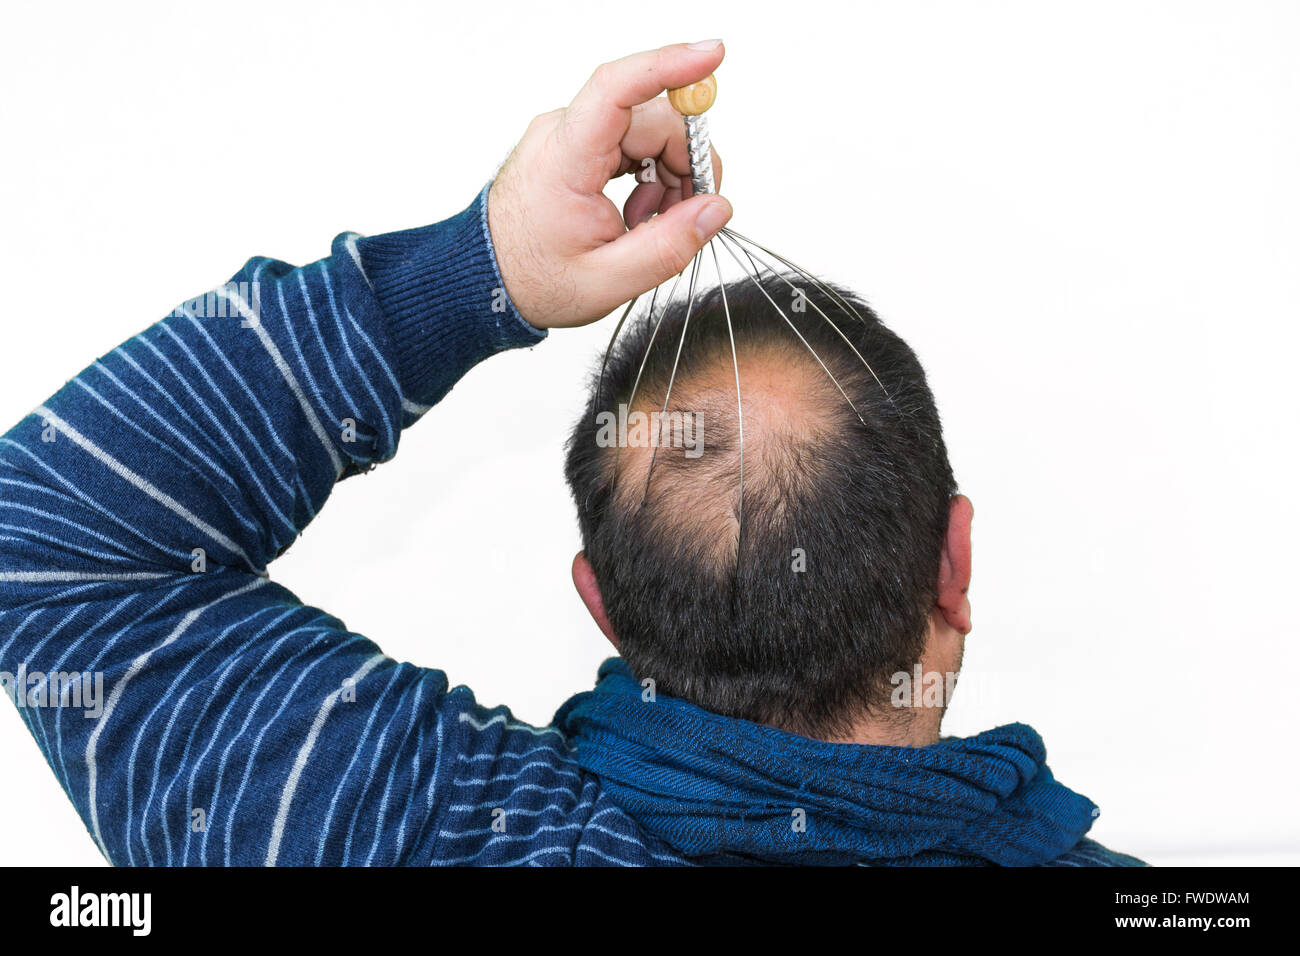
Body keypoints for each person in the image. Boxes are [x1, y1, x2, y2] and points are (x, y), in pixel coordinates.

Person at [0, 41, 1142, 866]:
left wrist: (479, 268)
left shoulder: (403, 828)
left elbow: (41, 537)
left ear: (601, 604)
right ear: (956, 561)